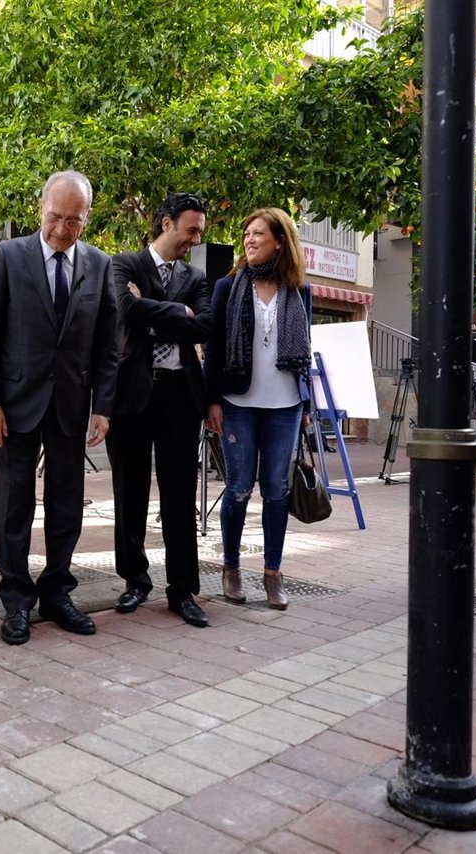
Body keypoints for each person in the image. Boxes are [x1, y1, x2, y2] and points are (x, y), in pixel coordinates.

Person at [0, 170, 120, 645]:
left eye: (72, 220)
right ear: (41, 209)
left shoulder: (100, 265)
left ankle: (57, 591)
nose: (61, 229)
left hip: (71, 405)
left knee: (65, 505)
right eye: (55, 217)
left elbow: (107, 345)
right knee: (12, 505)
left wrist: (103, 406)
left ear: (87, 218)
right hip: (15, 406)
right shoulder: (9, 256)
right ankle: (17, 599)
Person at [107, 193, 214, 627]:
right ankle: (135, 580)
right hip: (131, 396)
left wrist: (154, 314)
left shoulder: (197, 276)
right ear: (167, 224)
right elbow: (125, 308)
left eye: (200, 233)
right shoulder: (125, 264)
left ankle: (183, 590)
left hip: (179, 399)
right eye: (191, 230)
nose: (195, 239)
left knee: (178, 496)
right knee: (128, 494)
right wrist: (177, 313)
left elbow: (205, 324)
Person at [202, 208, 312, 611]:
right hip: (238, 403)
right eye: (246, 234)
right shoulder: (228, 288)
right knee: (238, 489)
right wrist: (210, 400)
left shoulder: (300, 289)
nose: (249, 240)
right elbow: (212, 350)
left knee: (277, 492)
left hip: (285, 405)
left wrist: (307, 405)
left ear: (280, 241)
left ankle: (272, 574)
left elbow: (306, 351)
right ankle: (231, 568)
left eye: (258, 234)